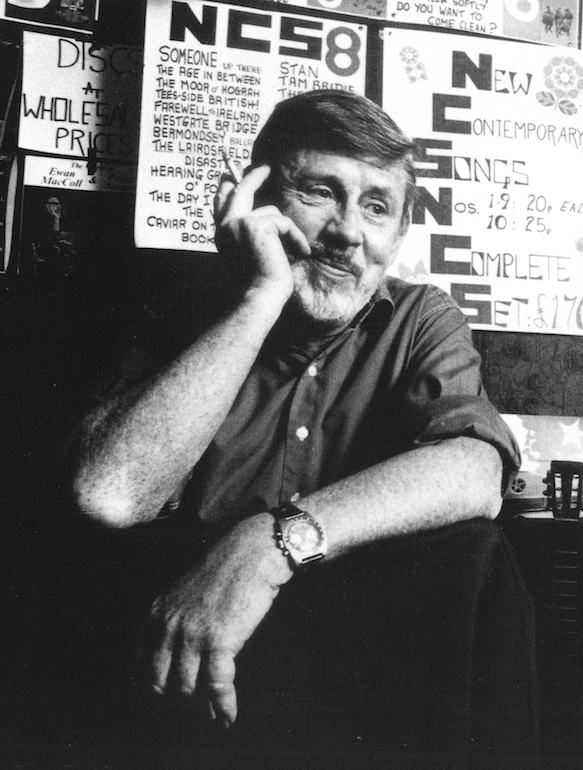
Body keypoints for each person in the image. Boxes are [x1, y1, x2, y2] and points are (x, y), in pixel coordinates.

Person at [66, 90, 534, 767]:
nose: (347, 231)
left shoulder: (420, 319)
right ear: (256, 198)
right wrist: (260, 296)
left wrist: (270, 545)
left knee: (480, 553)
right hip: (182, 672)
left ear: (398, 236)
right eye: (319, 192)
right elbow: (107, 494)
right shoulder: (179, 310)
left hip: (356, 683)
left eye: (377, 207)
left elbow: (475, 469)